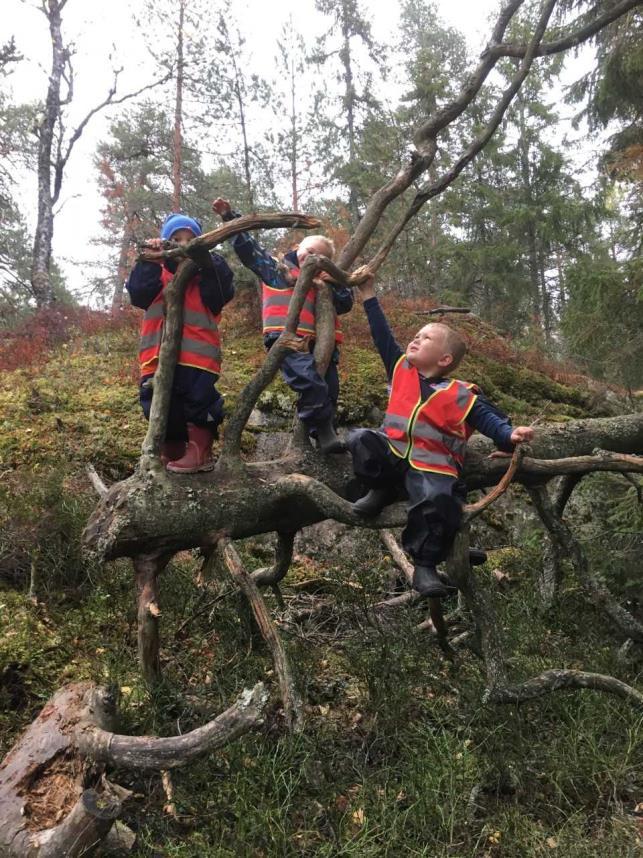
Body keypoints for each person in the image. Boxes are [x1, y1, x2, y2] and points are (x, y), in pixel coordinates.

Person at [348, 275, 534, 598]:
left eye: (427, 338)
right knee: (360, 439)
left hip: (431, 468)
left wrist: (509, 436)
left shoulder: (461, 394)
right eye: (417, 335)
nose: (416, 340)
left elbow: (490, 422)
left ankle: (425, 566)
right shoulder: (400, 369)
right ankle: (378, 491)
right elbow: (382, 335)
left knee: (437, 500)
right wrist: (368, 294)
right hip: (392, 453)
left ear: (445, 359)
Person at [211, 198, 353, 453]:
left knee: (330, 388)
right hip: (287, 340)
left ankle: (322, 434)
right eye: (308, 251)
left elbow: (345, 303)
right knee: (309, 381)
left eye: (319, 257)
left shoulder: (328, 284)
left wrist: (335, 282)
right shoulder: (279, 270)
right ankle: (322, 430)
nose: (311, 258)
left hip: (323, 346)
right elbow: (250, 251)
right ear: (296, 247)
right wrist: (231, 218)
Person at [127, 212, 234, 473]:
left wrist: (209, 262)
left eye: (191, 239)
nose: (183, 244)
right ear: (165, 243)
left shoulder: (207, 277)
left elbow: (222, 292)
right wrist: (149, 261)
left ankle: (199, 450)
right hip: (156, 357)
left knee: (199, 401)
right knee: (157, 403)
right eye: (176, 239)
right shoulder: (156, 274)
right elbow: (138, 294)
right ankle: (171, 450)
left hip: (197, 358)